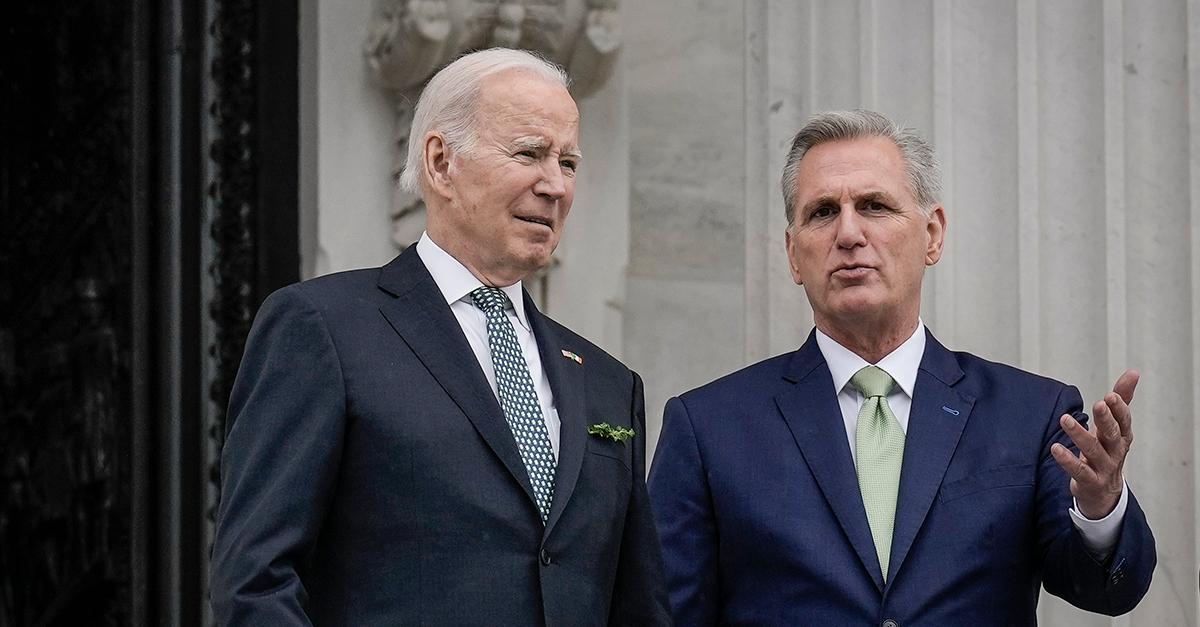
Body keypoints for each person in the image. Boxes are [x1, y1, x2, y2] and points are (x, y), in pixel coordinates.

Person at [210, 48, 669, 626]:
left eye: (569, 162)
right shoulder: (322, 328)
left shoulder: (607, 382)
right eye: (529, 153)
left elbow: (639, 606)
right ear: (440, 162)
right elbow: (256, 583)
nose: (555, 184)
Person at [648, 109, 1156, 625]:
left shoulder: (1031, 415)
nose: (848, 234)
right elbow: (667, 613)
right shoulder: (708, 427)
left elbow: (1105, 591)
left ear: (932, 234)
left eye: (874, 206)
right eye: (822, 212)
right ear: (793, 255)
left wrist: (1101, 508)